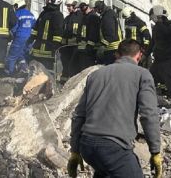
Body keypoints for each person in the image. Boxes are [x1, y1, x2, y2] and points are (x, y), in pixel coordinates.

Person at [68, 40, 162, 178]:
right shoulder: (142, 74)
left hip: (87, 145)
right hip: (114, 147)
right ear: (139, 56)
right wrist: (155, 151)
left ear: (117, 55)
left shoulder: (95, 75)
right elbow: (148, 114)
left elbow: (79, 115)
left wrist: (75, 151)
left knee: (104, 172)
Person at [29, 0, 64, 72]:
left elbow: (58, 34)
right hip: (37, 49)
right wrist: (30, 39)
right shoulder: (43, 13)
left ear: (53, 0)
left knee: (46, 73)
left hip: (48, 51)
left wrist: (55, 48)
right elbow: (36, 29)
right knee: (34, 71)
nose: (46, 0)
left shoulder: (58, 15)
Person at [6, 0, 35, 76]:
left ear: (17, 5)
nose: (14, 8)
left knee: (12, 56)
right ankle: (25, 70)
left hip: (19, 37)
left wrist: (11, 35)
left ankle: (10, 72)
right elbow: (34, 26)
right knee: (23, 55)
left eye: (14, 6)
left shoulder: (17, 14)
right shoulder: (31, 14)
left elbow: (14, 27)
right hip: (29, 39)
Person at [91, 0, 122, 65]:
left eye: (95, 8)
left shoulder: (108, 15)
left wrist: (102, 46)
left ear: (99, 6)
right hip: (111, 48)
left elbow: (110, 34)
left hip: (112, 49)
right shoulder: (106, 14)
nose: (95, 10)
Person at [71, 0, 98, 73]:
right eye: (80, 7)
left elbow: (93, 34)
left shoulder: (93, 17)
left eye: (82, 7)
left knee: (86, 70)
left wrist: (89, 47)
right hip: (81, 49)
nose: (81, 9)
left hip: (88, 50)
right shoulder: (84, 17)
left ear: (88, 6)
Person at [61, 0, 82, 81]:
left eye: (69, 6)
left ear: (75, 5)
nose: (68, 8)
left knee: (74, 66)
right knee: (65, 65)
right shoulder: (67, 18)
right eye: (67, 6)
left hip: (76, 47)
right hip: (66, 47)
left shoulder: (80, 16)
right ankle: (63, 82)